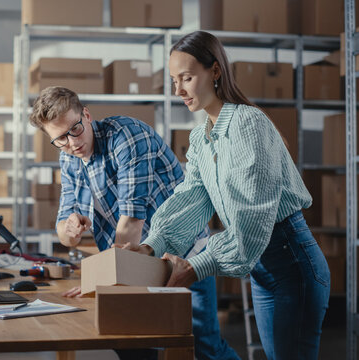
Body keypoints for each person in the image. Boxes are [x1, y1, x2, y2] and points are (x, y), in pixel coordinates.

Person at [116, 30, 331, 359]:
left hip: (292, 264)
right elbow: (191, 199)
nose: (178, 90)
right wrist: (151, 245)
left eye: (186, 78)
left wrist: (196, 266)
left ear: (214, 71)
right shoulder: (202, 137)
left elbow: (250, 222)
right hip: (263, 269)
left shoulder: (248, 124)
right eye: (174, 80)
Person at [29, 86, 240, 360]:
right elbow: (64, 235)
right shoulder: (69, 159)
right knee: (130, 343)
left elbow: (131, 224)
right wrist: (69, 229)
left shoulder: (126, 137)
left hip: (183, 254)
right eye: (60, 139)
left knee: (203, 345)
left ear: (87, 115)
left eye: (75, 129)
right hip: (133, 260)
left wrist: (101, 278)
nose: (72, 143)